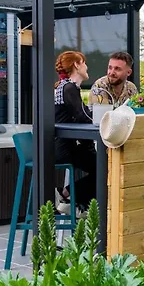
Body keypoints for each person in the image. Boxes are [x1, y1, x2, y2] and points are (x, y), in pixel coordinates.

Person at [54, 51, 96, 216]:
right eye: (84, 63)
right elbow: (82, 116)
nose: (87, 67)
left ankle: (68, 196)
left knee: (101, 166)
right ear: (77, 65)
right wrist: (105, 118)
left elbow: (81, 114)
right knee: (105, 168)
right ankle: (72, 198)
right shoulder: (69, 87)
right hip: (65, 149)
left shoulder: (64, 86)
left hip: (62, 146)